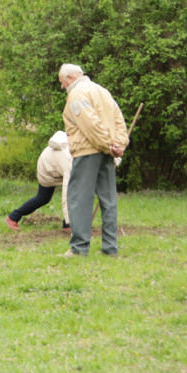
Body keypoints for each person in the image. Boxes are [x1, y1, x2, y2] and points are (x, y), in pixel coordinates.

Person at [58, 63, 129, 257]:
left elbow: (91, 126)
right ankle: (110, 248)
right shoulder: (103, 91)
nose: (62, 87)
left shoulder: (77, 94)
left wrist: (108, 145)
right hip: (107, 152)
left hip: (87, 152)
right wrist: (118, 145)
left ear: (70, 78)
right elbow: (118, 120)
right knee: (109, 200)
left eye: (62, 82)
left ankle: (79, 248)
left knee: (79, 199)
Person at [5, 131, 72, 232]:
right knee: (43, 198)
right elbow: (68, 192)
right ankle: (13, 217)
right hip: (47, 167)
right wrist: (70, 221)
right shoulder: (68, 159)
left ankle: (67, 224)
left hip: (58, 165)